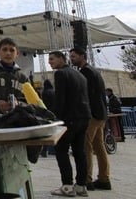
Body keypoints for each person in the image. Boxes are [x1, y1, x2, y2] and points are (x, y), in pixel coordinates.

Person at [48, 50, 91, 197]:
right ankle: (81, 185)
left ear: (61, 59)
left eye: (52, 59)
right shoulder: (80, 74)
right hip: (84, 118)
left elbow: (60, 99)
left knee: (61, 151)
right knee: (80, 152)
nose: (50, 62)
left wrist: (54, 118)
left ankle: (67, 186)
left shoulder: (60, 74)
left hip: (69, 119)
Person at [70, 47, 111, 192]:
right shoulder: (94, 71)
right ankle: (104, 179)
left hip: (92, 115)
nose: (72, 59)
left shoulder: (85, 72)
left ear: (82, 56)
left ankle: (86, 180)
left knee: (86, 147)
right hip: (101, 114)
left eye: (74, 56)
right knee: (99, 148)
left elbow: (85, 95)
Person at [41, 79, 56, 157]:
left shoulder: (45, 92)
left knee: (47, 132)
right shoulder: (54, 91)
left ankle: (44, 150)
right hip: (55, 113)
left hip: (47, 113)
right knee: (54, 131)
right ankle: (53, 149)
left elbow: (44, 104)